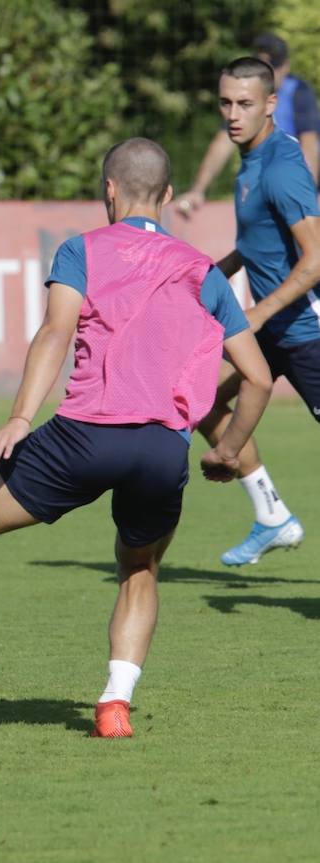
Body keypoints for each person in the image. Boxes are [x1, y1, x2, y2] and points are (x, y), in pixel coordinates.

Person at [0, 138, 272, 738]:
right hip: (164, 449)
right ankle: (114, 706)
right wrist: (227, 449)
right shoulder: (204, 272)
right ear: (167, 196)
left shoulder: (81, 250)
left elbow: (56, 332)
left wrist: (18, 417)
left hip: (85, 436)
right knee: (139, 569)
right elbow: (260, 378)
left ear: (108, 189)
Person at [191, 57, 320, 566]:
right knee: (199, 399)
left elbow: (315, 261)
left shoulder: (284, 169)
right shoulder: (254, 158)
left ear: (271, 104)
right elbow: (261, 242)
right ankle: (272, 517)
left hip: (307, 331)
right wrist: (212, 273)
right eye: (225, 102)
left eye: (245, 104)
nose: (232, 114)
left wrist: (261, 311)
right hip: (268, 326)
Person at [176, 34, 320, 217]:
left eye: (273, 67)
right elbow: (222, 143)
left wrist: (306, 195)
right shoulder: (245, 95)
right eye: (262, 67)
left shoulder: (299, 92)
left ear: (286, 66)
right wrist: (198, 190)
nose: (269, 74)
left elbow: (310, 145)